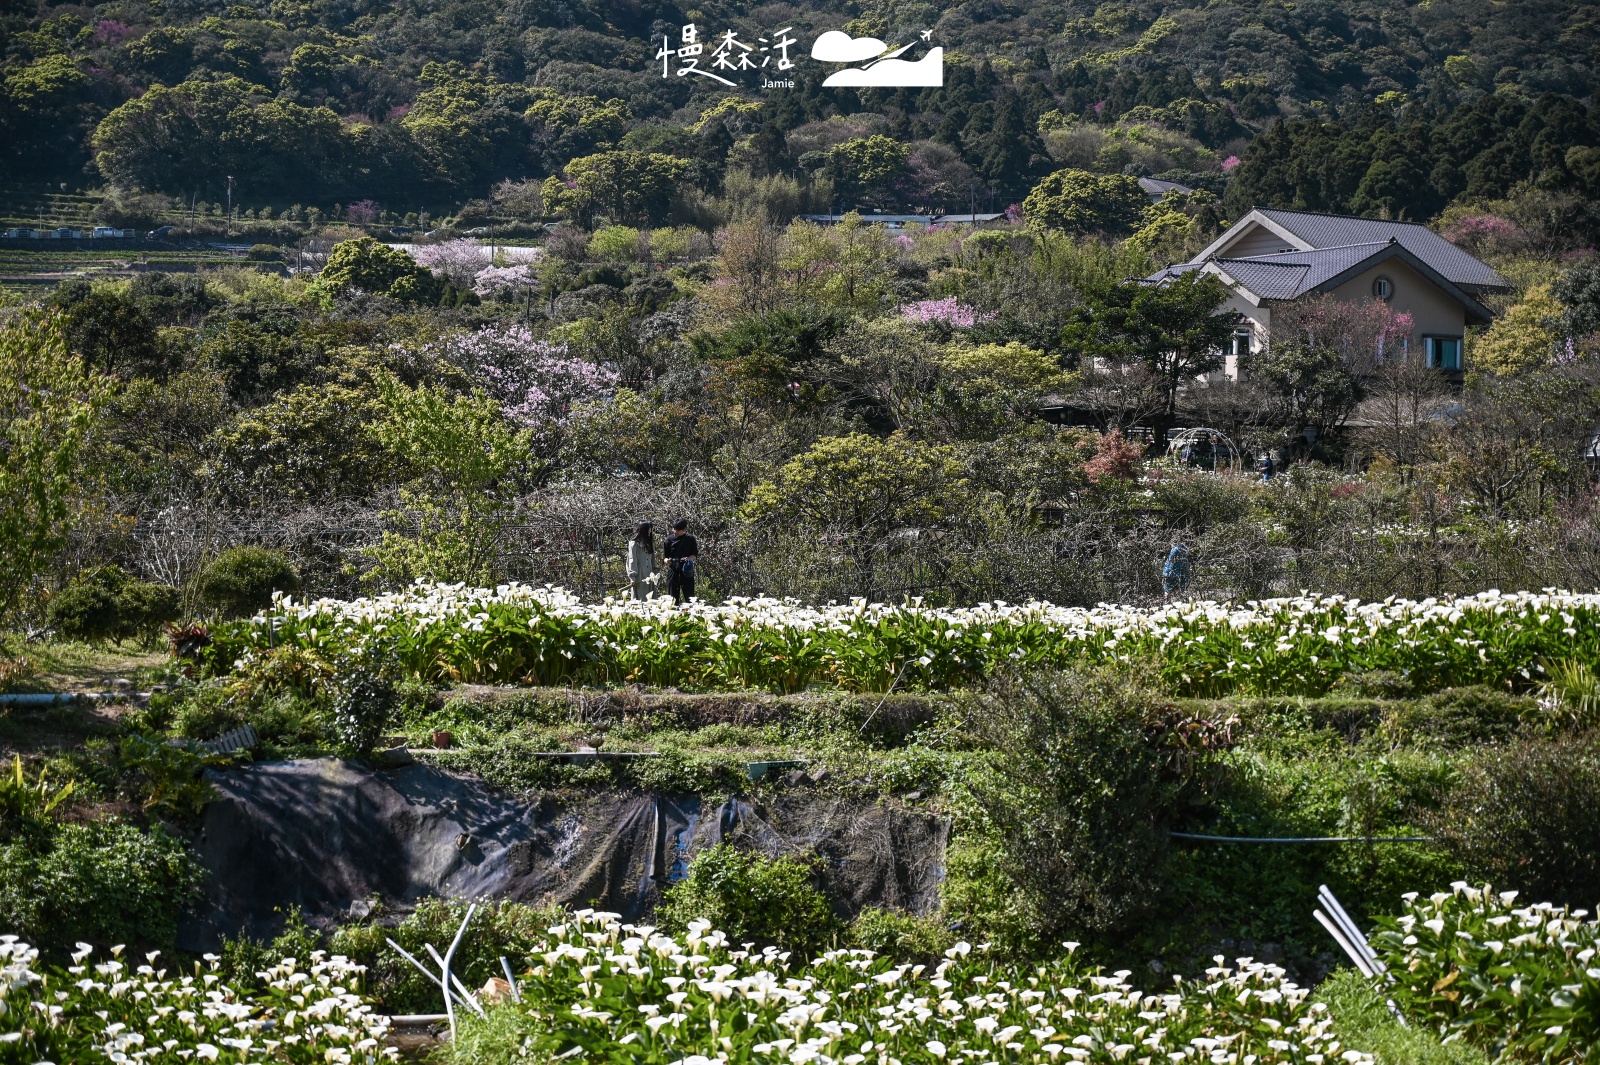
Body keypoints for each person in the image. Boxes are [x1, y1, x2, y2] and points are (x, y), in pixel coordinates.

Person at [663, 518, 699, 604]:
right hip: (673, 571)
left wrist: (688, 559)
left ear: (684, 530)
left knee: (689, 597)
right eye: (674, 529)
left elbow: (694, 555)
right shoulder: (668, 540)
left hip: (686, 570)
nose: (675, 531)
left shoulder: (690, 539)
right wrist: (667, 560)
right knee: (672, 598)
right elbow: (665, 557)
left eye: (678, 530)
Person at [625, 521, 655, 601]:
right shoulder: (634, 544)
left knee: (651, 599)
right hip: (639, 575)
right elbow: (632, 560)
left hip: (650, 574)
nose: (651, 530)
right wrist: (632, 578)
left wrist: (655, 573)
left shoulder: (649, 543)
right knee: (641, 598)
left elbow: (653, 560)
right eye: (649, 528)